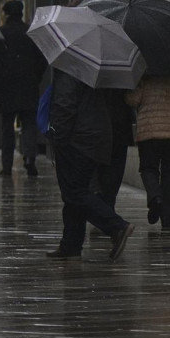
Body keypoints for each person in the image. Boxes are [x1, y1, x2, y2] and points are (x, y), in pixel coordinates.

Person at [44, 69, 134, 261]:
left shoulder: (68, 69)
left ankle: (117, 227)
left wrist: (58, 136)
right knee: (75, 191)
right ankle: (70, 244)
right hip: (94, 136)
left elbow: (65, 104)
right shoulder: (92, 71)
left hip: (77, 140)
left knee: (74, 192)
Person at [126, 73, 170, 231]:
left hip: (149, 133)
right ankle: (167, 219)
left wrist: (133, 86)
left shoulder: (145, 78)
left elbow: (132, 100)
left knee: (148, 169)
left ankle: (156, 198)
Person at [0, 0, 47, 176]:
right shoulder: (31, 32)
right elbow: (42, 59)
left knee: (7, 127)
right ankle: (30, 158)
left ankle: (6, 165)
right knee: (29, 124)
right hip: (28, 85)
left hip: (7, 86)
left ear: (6, 15)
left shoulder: (0, 34)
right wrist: (35, 77)